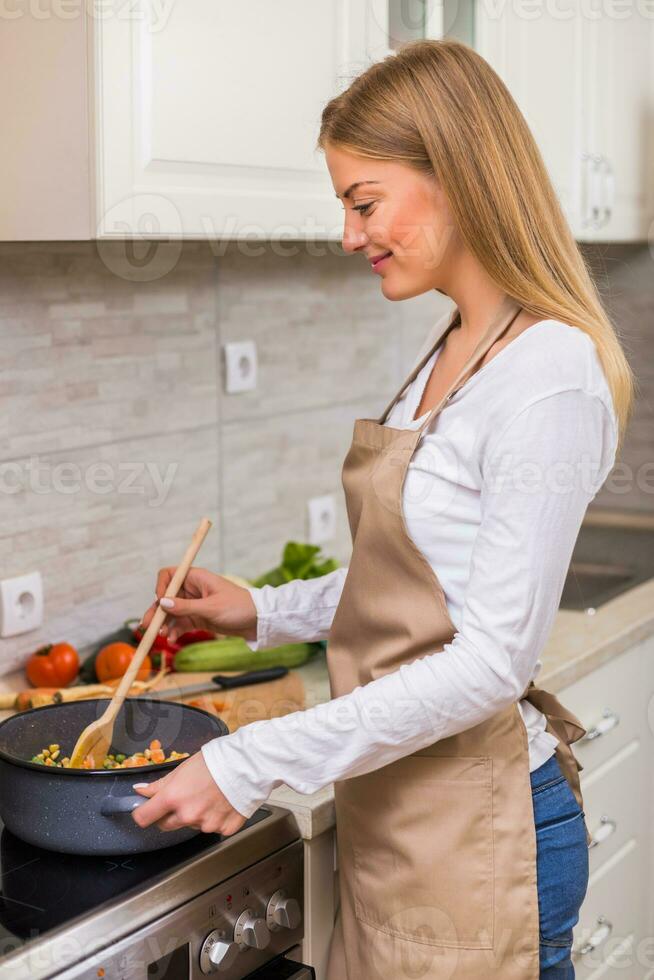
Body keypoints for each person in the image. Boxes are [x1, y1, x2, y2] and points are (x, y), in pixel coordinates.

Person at [135, 39, 634, 979]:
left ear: (460, 175)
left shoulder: (549, 372)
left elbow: (490, 662)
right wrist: (261, 609)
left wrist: (249, 761)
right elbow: (414, 583)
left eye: (365, 202)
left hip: (480, 831)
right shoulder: (455, 345)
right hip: (399, 811)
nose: (349, 234)